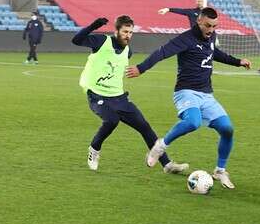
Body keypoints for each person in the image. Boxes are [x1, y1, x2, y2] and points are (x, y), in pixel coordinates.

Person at [126, 7, 251, 189]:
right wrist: (141, 68)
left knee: (227, 129)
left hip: (206, 95)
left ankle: (220, 170)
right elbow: (162, 52)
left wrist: (237, 61)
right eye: (208, 25)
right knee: (193, 122)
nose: (211, 30)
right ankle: (160, 146)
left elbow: (214, 53)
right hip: (185, 92)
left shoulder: (211, 37)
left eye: (214, 26)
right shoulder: (185, 39)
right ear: (199, 21)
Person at [72, 15, 188, 174]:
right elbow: (76, 40)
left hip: (118, 97)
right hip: (97, 95)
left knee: (145, 127)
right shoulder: (102, 42)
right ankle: (94, 148)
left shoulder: (128, 51)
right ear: (116, 31)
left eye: (131, 32)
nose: (128, 35)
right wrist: (94, 25)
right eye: (125, 31)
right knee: (111, 120)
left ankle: (167, 165)